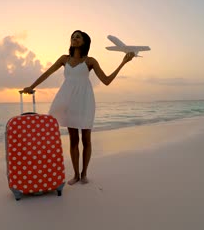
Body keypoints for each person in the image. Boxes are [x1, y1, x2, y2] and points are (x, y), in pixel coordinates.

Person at [21, 30, 135, 185]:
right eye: (72, 37)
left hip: (85, 101)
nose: (74, 39)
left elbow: (106, 80)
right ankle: (75, 175)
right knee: (73, 139)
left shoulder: (90, 61)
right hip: (68, 100)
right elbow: (47, 73)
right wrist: (32, 86)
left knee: (86, 139)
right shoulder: (64, 59)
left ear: (85, 42)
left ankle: (84, 174)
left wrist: (123, 62)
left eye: (78, 37)